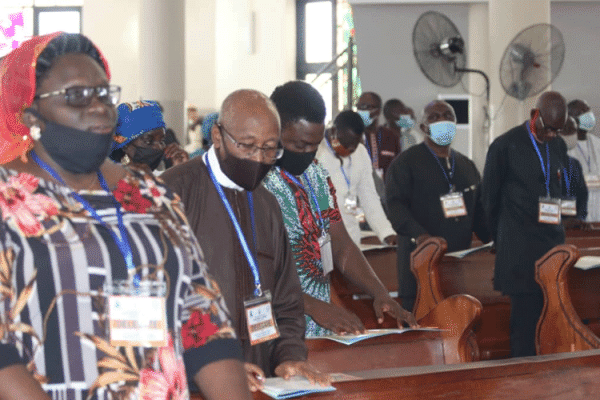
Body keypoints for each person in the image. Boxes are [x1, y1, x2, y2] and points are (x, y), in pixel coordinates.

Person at [0, 32, 252, 400]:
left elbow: (204, 319)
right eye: (77, 96)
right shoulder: (7, 202)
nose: (99, 107)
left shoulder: (153, 195)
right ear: (31, 114)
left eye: (104, 94)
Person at [162, 89, 328, 392]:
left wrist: (289, 355)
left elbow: (287, 299)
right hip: (194, 383)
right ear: (217, 135)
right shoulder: (171, 194)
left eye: (269, 149)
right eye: (248, 147)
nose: (259, 159)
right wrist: (214, 368)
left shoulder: (266, 204)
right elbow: (158, 303)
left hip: (261, 380)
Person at [263, 81, 417, 338]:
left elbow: (341, 244)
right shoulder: (257, 183)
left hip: (320, 327)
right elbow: (252, 269)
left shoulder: (317, 178)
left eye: (314, 146)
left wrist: (380, 293)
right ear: (274, 130)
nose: (308, 155)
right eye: (299, 146)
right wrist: (313, 306)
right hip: (275, 327)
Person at [482, 91, 570, 358]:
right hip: (519, 248)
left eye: (558, 129)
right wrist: (498, 239)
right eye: (548, 128)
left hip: (551, 244)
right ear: (536, 114)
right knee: (524, 324)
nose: (553, 135)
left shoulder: (558, 145)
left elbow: (559, 189)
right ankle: (523, 378)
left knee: (552, 316)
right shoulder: (505, 145)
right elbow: (489, 199)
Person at [385, 100, 490, 312]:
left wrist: (495, 239)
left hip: (458, 268)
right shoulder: (406, 163)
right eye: (434, 117)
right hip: (419, 264)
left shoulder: (466, 165)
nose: (442, 120)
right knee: (420, 334)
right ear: (423, 127)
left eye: (448, 116)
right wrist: (420, 235)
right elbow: (395, 207)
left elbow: (478, 212)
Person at [316, 110, 396, 246]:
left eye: (355, 144)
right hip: (322, 239)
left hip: (352, 239)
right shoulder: (316, 152)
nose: (351, 149)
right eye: (346, 144)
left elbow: (369, 196)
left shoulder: (361, 153)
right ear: (334, 131)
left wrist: (386, 232)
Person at [110, 100, 189, 172]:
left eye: (161, 141)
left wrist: (181, 170)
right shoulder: (110, 175)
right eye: (148, 141)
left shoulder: (161, 170)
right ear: (125, 145)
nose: (158, 147)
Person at [567, 99, 600, 222]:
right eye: (582, 111)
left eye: (588, 110)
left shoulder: (597, 143)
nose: (589, 114)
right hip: (576, 213)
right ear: (571, 118)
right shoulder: (565, 146)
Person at [355, 92, 400, 179]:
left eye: (365, 107)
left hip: (386, 189)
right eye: (359, 107)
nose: (361, 111)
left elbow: (398, 169)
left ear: (378, 111)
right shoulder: (353, 135)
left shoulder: (391, 136)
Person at [559, 116, 588, 225]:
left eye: (575, 131)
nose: (573, 135)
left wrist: (580, 219)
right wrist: (560, 222)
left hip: (573, 226)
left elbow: (583, 195)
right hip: (549, 230)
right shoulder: (542, 163)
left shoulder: (574, 164)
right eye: (569, 130)